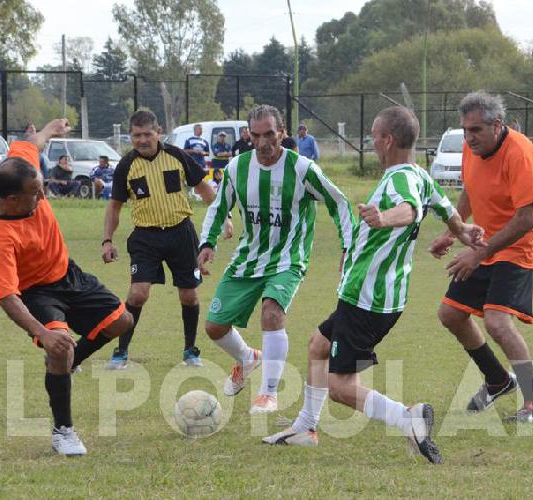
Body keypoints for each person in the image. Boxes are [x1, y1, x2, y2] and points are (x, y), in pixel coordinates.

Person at [264, 106, 485, 465]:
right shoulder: (420, 175)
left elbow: (409, 210)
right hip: (378, 296)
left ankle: (407, 417)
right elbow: (448, 211)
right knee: (318, 344)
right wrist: (463, 233)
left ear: (387, 140)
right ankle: (305, 427)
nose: (371, 142)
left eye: (373, 136)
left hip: (366, 299)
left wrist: (383, 218)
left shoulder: (400, 179)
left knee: (340, 386)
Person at [0, 117, 135, 457]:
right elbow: (7, 296)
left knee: (123, 322)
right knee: (58, 347)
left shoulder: (20, 166)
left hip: (68, 274)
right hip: (36, 293)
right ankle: (63, 430)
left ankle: (70, 358)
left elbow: (32, 142)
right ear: (9, 198)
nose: (42, 196)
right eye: (35, 193)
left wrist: (52, 129)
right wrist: (44, 334)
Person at [198, 104, 355, 414]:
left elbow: (339, 204)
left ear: (282, 132)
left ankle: (268, 393)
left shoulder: (302, 169)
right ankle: (248, 358)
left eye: (270, 134)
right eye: (256, 135)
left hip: (288, 258)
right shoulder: (236, 168)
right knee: (215, 327)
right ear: (249, 136)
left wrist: (348, 246)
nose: (263, 142)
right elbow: (219, 207)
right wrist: (207, 242)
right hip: (248, 258)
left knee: (271, 312)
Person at [432, 91, 533, 424]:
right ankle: (498, 381)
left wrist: (479, 254)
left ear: (496, 125)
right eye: (465, 130)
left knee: (498, 321)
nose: (468, 139)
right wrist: (451, 232)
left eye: (475, 131)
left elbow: (526, 219)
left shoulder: (520, 153)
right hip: (484, 241)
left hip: (517, 244)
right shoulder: (474, 150)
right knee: (450, 315)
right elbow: (471, 190)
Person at [101, 111, 232, 370]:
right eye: (136, 135)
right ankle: (121, 352)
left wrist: (224, 216)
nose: (142, 140)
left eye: (147, 134)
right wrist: (107, 240)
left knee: (189, 296)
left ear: (158, 132)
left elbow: (204, 189)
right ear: (131, 136)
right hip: (145, 237)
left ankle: (190, 351)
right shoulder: (126, 165)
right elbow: (114, 206)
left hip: (181, 233)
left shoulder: (177, 156)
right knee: (138, 294)